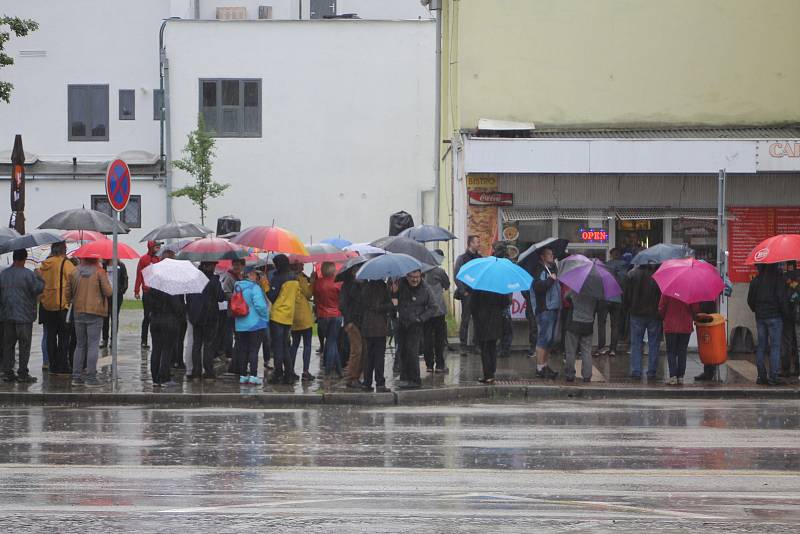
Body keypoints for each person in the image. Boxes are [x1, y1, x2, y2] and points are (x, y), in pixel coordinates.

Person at [0, 249, 44, 383]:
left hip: (7, 315)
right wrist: (40, 277)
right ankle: (23, 373)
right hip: (24, 317)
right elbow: (37, 289)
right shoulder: (29, 275)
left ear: (13, 258)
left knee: (8, 345)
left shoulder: (3, 274)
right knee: (24, 345)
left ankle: (8, 372)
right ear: (24, 259)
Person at [68, 256, 112, 387]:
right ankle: (91, 378)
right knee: (93, 345)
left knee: (80, 345)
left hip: (78, 311)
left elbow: (67, 293)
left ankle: (76, 377)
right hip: (95, 312)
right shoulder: (100, 272)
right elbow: (108, 292)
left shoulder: (74, 272)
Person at [393, 269, 437, 389]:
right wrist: (393, 292)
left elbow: (433, 307)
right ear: (407, 276)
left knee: (412, 351)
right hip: (401, 322)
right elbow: (393, 300)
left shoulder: (425, 288)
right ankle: (404, 377)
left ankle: (415, 379)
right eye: (412, 277)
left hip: (415, 324)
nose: (415, 280)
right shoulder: (400, 284)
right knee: (402, 351)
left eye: (417, 277)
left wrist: (421, 318)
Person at [36, 241, 75, 375]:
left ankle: (52, 365)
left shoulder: (44, 265)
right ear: (63, 249)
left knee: (50, 337)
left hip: (47, 306)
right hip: (62, 306)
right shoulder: (66, 264)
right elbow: (73, 280)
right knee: (64, 338)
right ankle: (62, 365)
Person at [747, 263, 790, 386]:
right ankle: (774, 377)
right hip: (775, 317)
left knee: (761, 346)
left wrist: (757, 310)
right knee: (775, 347)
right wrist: (786, 315)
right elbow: (782, 300)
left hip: (760, 317)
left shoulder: (756, 281)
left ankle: (761, 376)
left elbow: (750, 301)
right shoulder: (779, 279)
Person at [186, 262, 224, 380]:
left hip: (196, 316)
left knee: (197, 344)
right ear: (205, 266)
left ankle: (196, 371)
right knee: (208, 345)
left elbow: (188, 297)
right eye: (212, 265)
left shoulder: (194, 279)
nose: (214, 267)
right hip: (210, 317)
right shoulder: (213, 280)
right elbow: (220, 297)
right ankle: (208, 371)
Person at [625, 264, 663, 380]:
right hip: (654, 314)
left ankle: (636, 370)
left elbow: (627, 295)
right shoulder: (659, 275)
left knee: (636, 343)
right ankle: (651, 371)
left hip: (636, 313)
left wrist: (629, 308)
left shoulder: (632, 274)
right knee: (654, 344)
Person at [233, 267, 269, 385]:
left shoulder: (237, 286)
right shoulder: (255, 287)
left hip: (240, 324)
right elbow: (260, 306)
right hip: (255, 324)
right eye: (254, 274)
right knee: (254, 350)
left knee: (243, 350)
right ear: (249, 275)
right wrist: (265, 316)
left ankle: (243, 375)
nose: (256, 276)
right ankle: (253, 375)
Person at [267, 254, 299, 384]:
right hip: (288, 316)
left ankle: (278, 372)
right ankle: (289, 373)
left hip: (278, 315)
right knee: (285, 346)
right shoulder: (295, 278)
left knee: (278, 347)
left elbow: (272, 297)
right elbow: (296, 297)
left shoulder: (277, 278)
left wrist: (265, 286)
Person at [531, 246, 560, 379]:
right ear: (542, 257)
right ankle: (539, 367)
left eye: (552, 253)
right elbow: (538, 288)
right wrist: (550, 280)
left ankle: (545, 365)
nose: (552, 256)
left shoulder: (552, 269)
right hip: (545, 309)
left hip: (553, 308)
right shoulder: (539, 270)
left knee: (549, 340)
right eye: (549, 254)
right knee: (543, 339)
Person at [658, 294, 700, 385]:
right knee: (682, 351)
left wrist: (664, 317)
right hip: (685, 326)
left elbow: (661, 307)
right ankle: (680, 377)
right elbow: (695, 309)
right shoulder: (690, 291)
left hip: (670, 325)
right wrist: (694, 317)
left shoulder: (667, 291)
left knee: (671, 351)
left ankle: (673, 377)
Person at [470, 289, 510, 384]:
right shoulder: (499, 288)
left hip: (482, 319)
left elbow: (472, 306)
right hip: (496, 319)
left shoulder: (479, 288)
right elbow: (506, 303)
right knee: (492, 346)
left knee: (485, 347)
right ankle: (491, 372)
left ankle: (488, 375)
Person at [360, 279, 393, 392]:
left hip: (367, 326)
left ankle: (367, 382)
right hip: (379, 327)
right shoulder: (382, 286)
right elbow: (388, 305)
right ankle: (380, 383)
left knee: (368, 356)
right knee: (379, 356)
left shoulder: (365, 287)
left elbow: (362, 305)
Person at [148, 287, 184, 387]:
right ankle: (164, 378)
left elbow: (148, 304)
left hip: (155, 321)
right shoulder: (171, 289)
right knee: (167, 350)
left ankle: (155, 378)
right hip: (169, 322)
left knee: (156, 349)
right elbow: (177, 307)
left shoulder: (153, 289)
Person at [312, 262, 341, 379]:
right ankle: (328, 371)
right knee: (332, 342)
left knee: (331, 341)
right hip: (336, 314)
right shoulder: (338, 283)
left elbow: (315, 298)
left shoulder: (317, 283)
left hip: (323, 315)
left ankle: (339, 370)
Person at [454, 235, 481, 354]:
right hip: (467, 293)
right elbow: (457, 275)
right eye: (477, 242)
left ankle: (477, 344)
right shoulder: (462, 258)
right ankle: (463, 345)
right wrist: (463, 291)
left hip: (478, 294)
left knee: (478, 320)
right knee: (465, 319)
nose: (479, 244)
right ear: (470, 243)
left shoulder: (480, 258)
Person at [564, 289, 598, 383]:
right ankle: (587, 376)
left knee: (571, 351)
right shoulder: (595, 292)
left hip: (574, 323)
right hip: (588, 324)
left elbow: (565, 297)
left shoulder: (575, 290)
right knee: (586, 352)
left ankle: (570, 375)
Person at [423, 257, 450, 373]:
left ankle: (429, 365)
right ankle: (440, 364)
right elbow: (447, 285)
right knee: (439, 338)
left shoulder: (420, 272)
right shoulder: (440, 272)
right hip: (439, 310)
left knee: (426, 338)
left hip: (425, 311)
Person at [339, 267, 364, 388]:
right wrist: (348, 321)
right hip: (352, 322)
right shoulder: (348, 286)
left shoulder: (361, 285)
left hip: (361, 321)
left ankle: (356, 375)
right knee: (356, 350)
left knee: (360, 350)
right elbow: (343, 304)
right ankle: (352, 377)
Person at [134, 240, 161, 348]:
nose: (158, 248)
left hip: (158, 292)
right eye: (156, 246)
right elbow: (139, 275)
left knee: (158, 316)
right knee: (147, 317)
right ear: (151, 247)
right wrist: (136, 290)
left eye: (159, 246)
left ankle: (157, 339)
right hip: (148, 292)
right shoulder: (143, 259)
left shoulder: (159, 259)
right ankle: (144, 340)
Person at [602, 248, 628, 357]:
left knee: (601, 324)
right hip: (618, 299)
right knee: (615, 325)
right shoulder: (624, 267)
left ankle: (601, 347)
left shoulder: (606, 266)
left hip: (605, 297)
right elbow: (625, 283)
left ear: (611, 255)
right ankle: (613, 349)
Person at [290, 263, 314, 381]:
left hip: (293, 317)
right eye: (301, 265)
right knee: (307, 345)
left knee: (294, 344)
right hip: (304, 317)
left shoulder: (288, 279)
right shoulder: (302, 279)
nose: (303, 268)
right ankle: (305, 371)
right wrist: (312, 282)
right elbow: (309, 294)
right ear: (297, 267)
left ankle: (291, 369)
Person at [219, 258, 245, 363]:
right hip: (232, 310)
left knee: (239, 333)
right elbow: (226, 292)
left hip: (242, 311)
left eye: (238, 265)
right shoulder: (229, 277)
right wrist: (237, 297)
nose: (236, 267)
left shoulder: (242, 277)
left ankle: (237, 353)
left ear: (243, 266)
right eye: (235, 265)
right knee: (229, 333)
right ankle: (228, 353)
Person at [100, 259, 128, 349]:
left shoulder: (121, 265)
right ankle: (105, 339)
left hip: (117, 296)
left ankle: (113, 340)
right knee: (105, 318)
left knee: (114, 317)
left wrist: (121, 290)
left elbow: (125, 279)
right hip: (105, 296)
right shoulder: (103, 266)